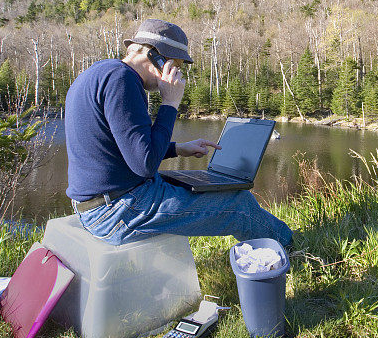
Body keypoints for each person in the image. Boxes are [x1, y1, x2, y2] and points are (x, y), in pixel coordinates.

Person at [64, 18, 293, 248]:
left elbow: (124, 150)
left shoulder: (100, 73)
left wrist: (177, 149)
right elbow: (144, 164)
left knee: (201, 188)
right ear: (156, 57)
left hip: (103, 205)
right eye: (176, 67)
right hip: (116, 212)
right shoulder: (122, 81)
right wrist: (171, 102)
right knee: (238, 205)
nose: (178, 75)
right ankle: (295, 249)